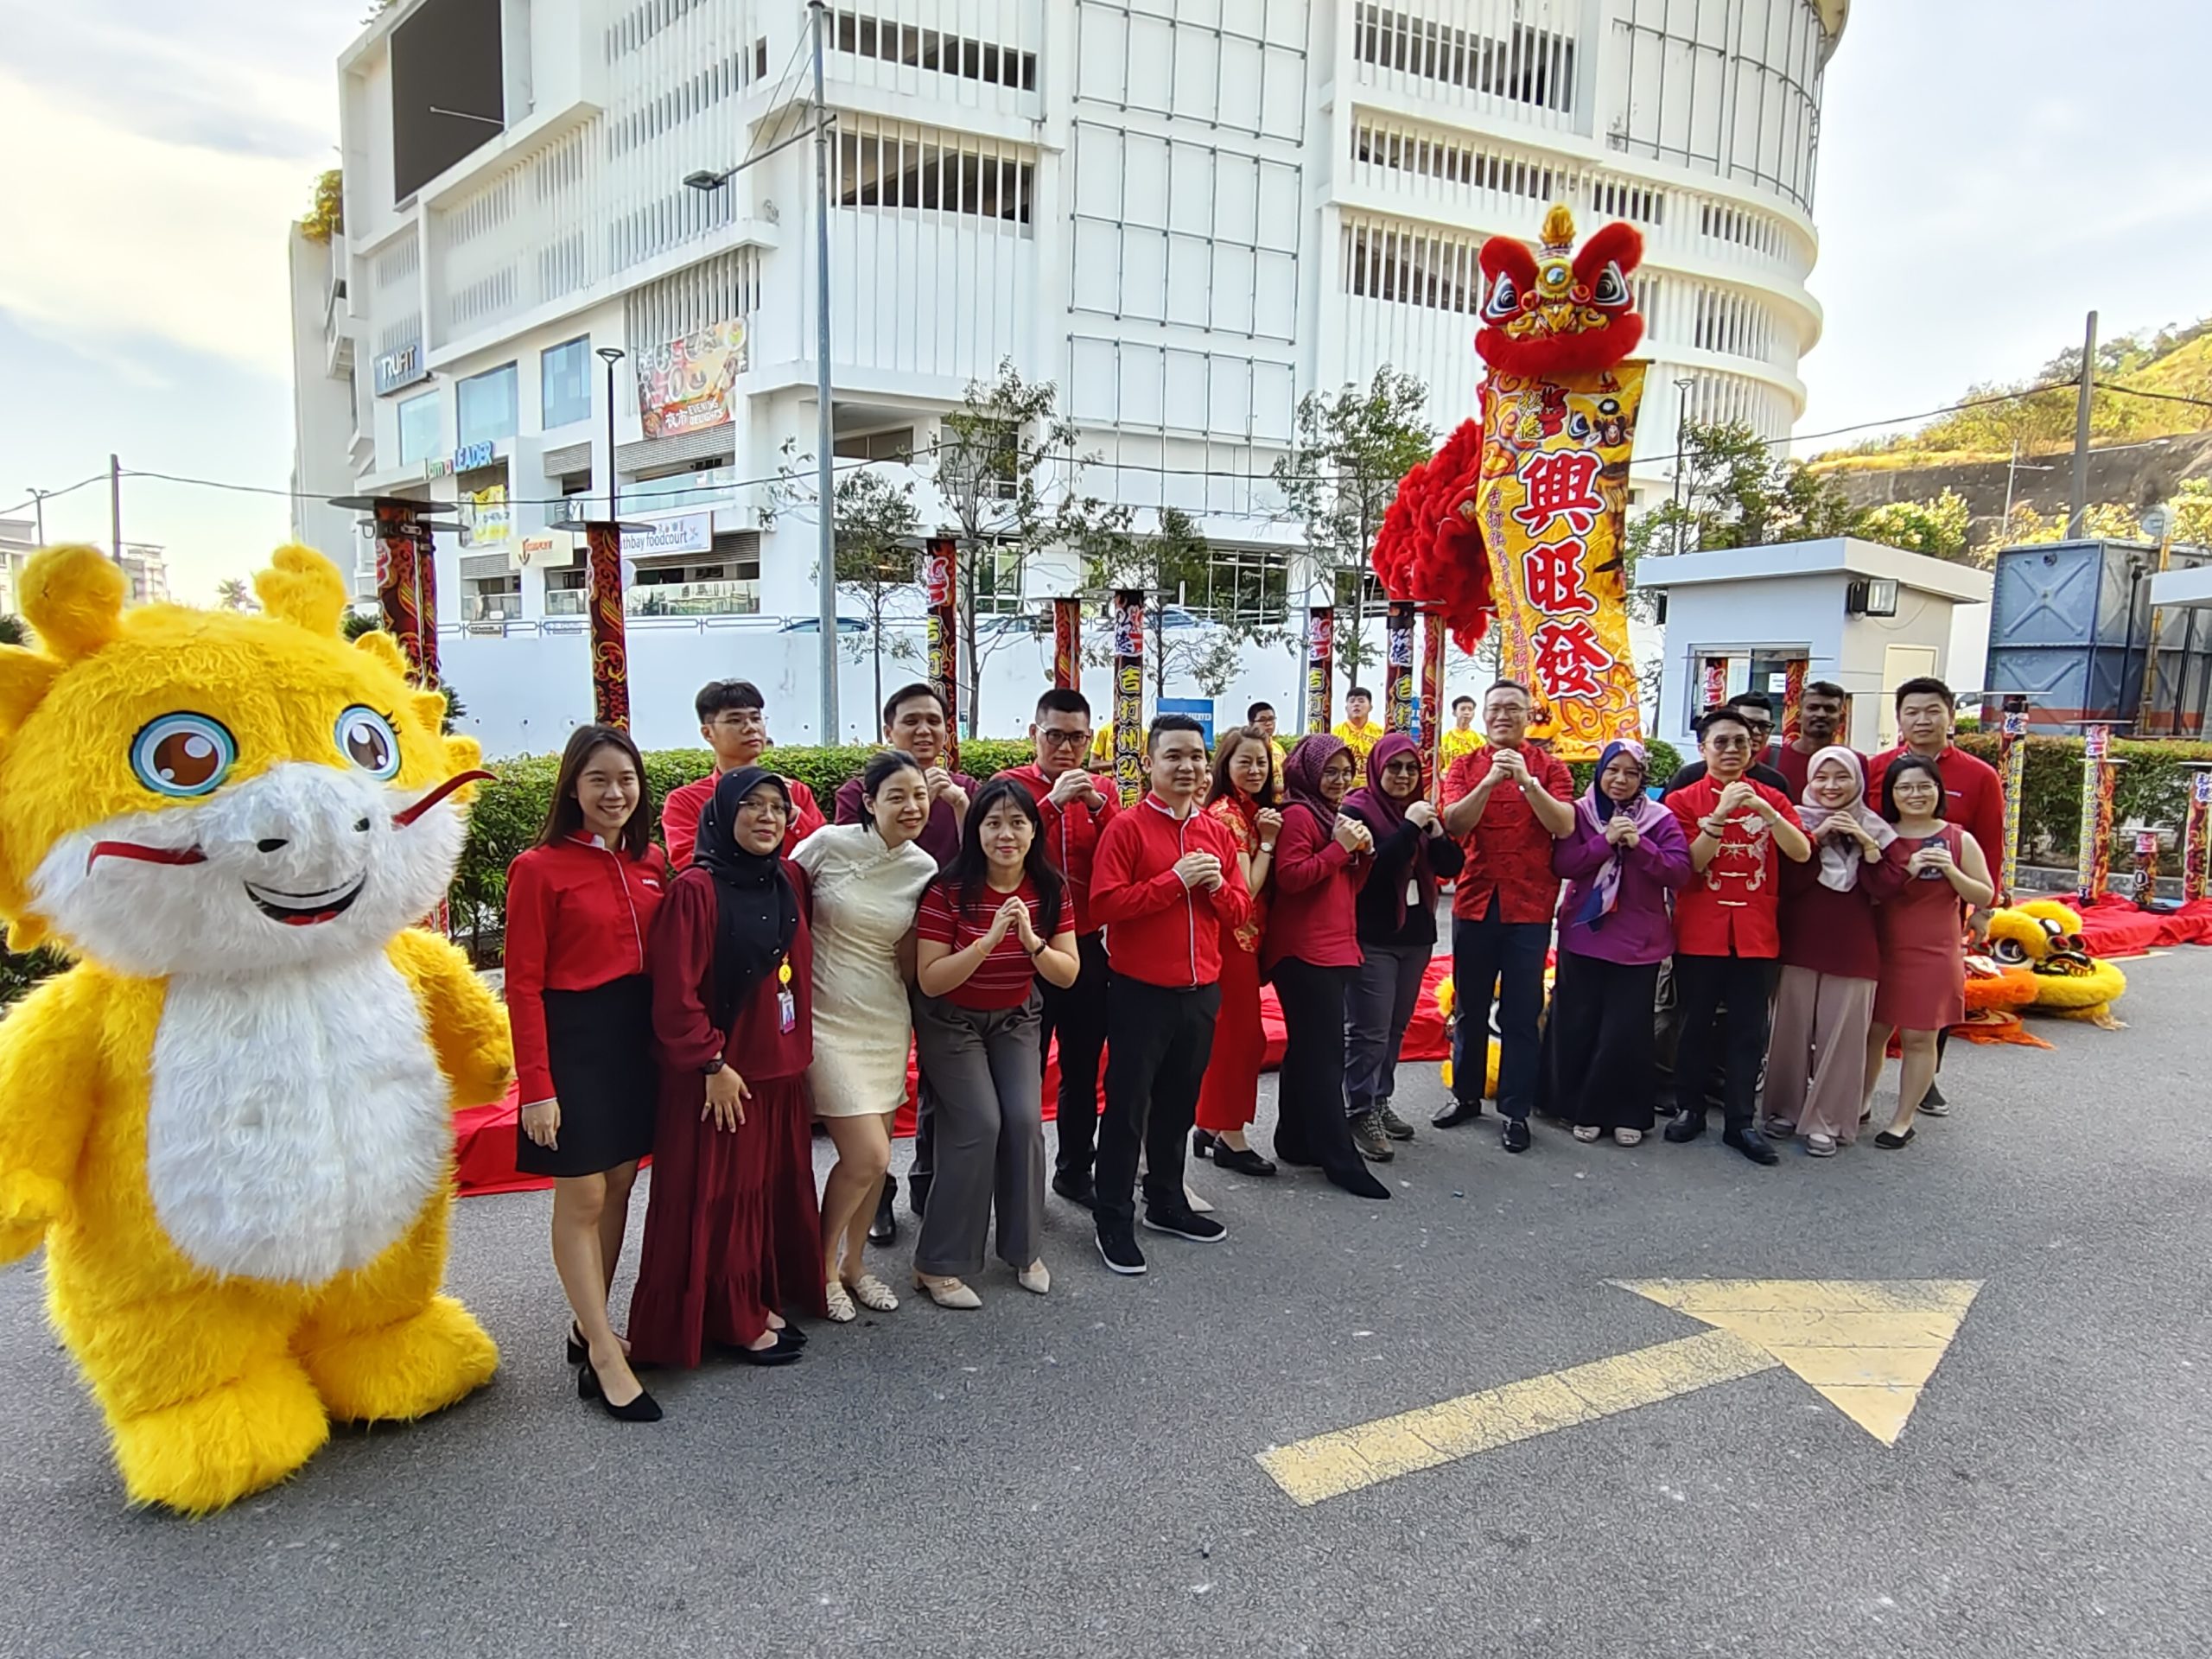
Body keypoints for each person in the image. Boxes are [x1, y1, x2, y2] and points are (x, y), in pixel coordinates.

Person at [626, 768, 823, 1372]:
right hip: (721, 1080)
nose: (768, 818)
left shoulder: (790, 877)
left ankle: (754, 1300)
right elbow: (675, 996)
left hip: (780, 1072)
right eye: (753, 807)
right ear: (723, 815)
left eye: (777, 808)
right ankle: (728, 1321)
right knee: (720, 1201)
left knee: (761, 1198)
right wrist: (711, 1062)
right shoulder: (696, 890)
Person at [504, 724, 668, 1421]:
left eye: (626, 779)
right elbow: (521, 984)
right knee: (583, 1197)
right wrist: (536, 1087)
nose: (615, 792)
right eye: (599, 778)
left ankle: (588, 1321)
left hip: (635, 1038)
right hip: (572, 1040)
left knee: (622, 1182)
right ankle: (603, 1352)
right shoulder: (538, 867)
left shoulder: (650, 861)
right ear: (573, 785)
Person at [1088, 715, 1252, 1275]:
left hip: (1201, 991)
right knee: (1127, 1109)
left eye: (1195, 757)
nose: (1186, 767)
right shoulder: (1128, 829)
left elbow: (1241, 913)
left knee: (1178, 1107)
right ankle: (1112, 1215)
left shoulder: (1216, 833)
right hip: (1139, 993)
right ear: (1149, 765)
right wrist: (1173, 882)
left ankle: (1165, 1201)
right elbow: (1103, 906)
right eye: (1173, 756)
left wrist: (1214, 887)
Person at [910, 778, 1080, 1306]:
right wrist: (986, 942)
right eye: (993, 823)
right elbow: (932, 978)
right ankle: (936, 1263)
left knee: (1026, 1122)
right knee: (979, 1125)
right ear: (975, 829)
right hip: (950, 1020)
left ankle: (1024, 1249)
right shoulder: (948, 889)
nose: (1005, 834)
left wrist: (1030, 942)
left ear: (1034, 830)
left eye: (1017, 823)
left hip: (1015, 1018)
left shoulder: (1050, 888)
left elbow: (1067, 973)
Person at [793, 750, 939, 1321]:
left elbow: (910, 957)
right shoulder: (826, 845)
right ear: (869, 800)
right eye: (897, 795)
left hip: (884, 1016)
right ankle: (820, 1267)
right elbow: (780, 902)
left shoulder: (924, 868)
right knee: (868, 1155)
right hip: (827, 1020)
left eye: (920, 795)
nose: (911, 806)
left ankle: (855, 1265)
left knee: (874, 1166)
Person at [832, 683, 976, 1236]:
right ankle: (878, 1194)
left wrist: (960, 806)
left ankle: (929, 1181)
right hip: (878, 956)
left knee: (940, 1073)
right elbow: (854, 862)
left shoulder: (964, 789)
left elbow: (985, 865)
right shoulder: (859, 793)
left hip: (947, 955)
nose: (924, 731)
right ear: (888, 729)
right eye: (911, 721)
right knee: (879, 1083)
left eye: (934, 722)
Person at [1661, 706, 1815, 1165]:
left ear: (1754, 750)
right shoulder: (1683, 800)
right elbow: (1689, 866)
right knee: (1694, 1024)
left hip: (1756, 930)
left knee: (1749, 1030)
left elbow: (1801, 852)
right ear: (1703, 748)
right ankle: (1688, 1108)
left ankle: (1740, 1121)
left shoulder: (1773, 797)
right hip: (1700, 929)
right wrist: (1722, 813)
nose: (1731, 750)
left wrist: (1767, 812)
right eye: (1721, 742)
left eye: (1741, 743)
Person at [1435, 680, 1576, 1148]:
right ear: (1484, 716)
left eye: (1512, 709)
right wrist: (1492, 781)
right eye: (1494, 709)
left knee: (1521, 1011)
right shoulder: (1464, 765)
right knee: (1470, 1006)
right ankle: (1466, 1095)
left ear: (1527, 715)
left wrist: (1526, 782)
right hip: (1475, 901)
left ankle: (1516, 1110)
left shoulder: (1550, 768)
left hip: (1530, 905)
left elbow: (1564, 824)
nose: (1502, 717)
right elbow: (1453, 822)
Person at [999, 690, 1120, 1205]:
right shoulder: (1009, 788)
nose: (1066, 748)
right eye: (1055, 736)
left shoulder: (1105, 793)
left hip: (1088, 946)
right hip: (1023, 948)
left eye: (1077, 737)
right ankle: (1015, 1179)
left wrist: (1095, 807)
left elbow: (1127, 853)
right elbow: (1003, 850)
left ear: (1090, 739)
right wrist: (1048, 805)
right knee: (1021, 1069)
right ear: (1034, 735)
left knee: (1082, 1061)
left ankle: (1075, 1168)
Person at [1866, 675, 2006, 1116]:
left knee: (1927, 1018)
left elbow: (1991, 842)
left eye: (1932, 711)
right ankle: (1863, 1097)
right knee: (1873, 1021)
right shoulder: (1877, 767)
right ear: (1899, 719)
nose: (1922, 720)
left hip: (1940, 914)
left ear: (1950, 717)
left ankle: (1923, 1086)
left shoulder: (1979, 775)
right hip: (1883, 910)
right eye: (1912, 712)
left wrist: (1985, 910)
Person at [1264, 736, 1394, 1199]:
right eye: (1330, 772)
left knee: (1308, 1050)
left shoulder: (1329, 815)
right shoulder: (1300, 815)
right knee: (1325, 1057)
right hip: (1304, 952)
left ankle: (1294, 1139)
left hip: (1335, 946)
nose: (1339, 781)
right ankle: (1338, 1156)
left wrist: (1361, 855)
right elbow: (1292, 878)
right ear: (1307, 771)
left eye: (1345, 772)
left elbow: (1346, 884)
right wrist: (1340, 848)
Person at [1545, 741, 1690, 1147]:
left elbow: (1679, 872)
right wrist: (1604, 841)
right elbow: (1564, 865)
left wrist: (1639, 845)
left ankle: (1628, 1112)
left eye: (1631, 773)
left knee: (1625, 1032)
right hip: (1584, 933)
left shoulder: (1660, 820)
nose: (1620, 780)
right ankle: (1579, 1109)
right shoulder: (1580, 812)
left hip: (1638, 942)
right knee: (1579, 1024)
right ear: (1600, 772)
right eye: (1613, 770)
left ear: (1643, 778)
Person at [1763, 748, 1903, 1156]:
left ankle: (1826, 1119)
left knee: (1842, 1038)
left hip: (1853, 947)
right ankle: (1785, 1109)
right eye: (1821, 777)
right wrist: (1815, 839)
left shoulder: (1877, 829)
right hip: (1798, 942)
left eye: (1841, 777)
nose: (1830, 787)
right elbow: (1787, 883)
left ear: (1858, 781)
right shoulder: (1795, 821)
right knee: (1789, 1031)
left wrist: (1866, 844)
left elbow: (1888, 889)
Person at [1339, 733, 1463, 1161]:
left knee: (1395, 1027)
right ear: (1377, 769)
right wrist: (1410, 826)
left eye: (1411, 769)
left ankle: (1379, 1099)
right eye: (1395, 768)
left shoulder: (1422, 813)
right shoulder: (1357, 810)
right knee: (1368, 1031)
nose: (1404, 776)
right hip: (1373, 936)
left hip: (1416, 936)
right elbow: (1375, 870)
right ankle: (1357, 1109)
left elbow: (1451, 867)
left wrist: (1435, 830)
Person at [1862, 754, 1994, 1150]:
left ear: (1938, 790)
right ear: (1891, 795)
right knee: (1872, 1033)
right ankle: (1862, 1101)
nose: (1915, 794)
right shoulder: (1880, 835)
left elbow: (1985, 894)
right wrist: (1907, 870)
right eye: (1904, 787)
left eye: (1924, 786)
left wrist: (1952, 872)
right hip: (1882, 946)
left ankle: (1904, 1119)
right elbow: (1867, 891)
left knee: (1921, 1038)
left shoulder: (1958, 838)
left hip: (1935, 951)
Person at [1192, 726, 1284, 1178]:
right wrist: (1267, 840)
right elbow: (1244, 888)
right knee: (1240, 1039)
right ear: (1225, 766)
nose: (1254, 769)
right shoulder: (1229, 814)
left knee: (1234, 1037)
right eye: (1244, 761)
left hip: (1245, 938)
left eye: (1261, 762)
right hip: (1233, 939)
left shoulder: (1251, 809)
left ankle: (1210, 1125)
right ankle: (1230, 1134)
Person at [661, 678, 825, 868]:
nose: (751, 728)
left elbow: (824, 853)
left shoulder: (795, 793)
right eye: (735, 720)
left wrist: (794, 816)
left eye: (756, 718)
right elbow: (689, 860)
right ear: (707, 733)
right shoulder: (685, 801)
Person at [1665, 694, 1789, 793]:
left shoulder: (1775, 783)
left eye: (1764, 726)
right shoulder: (1688, 777)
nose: (1756, 731)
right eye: (1748, 724)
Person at [1773, 681, 1852, 799]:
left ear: (1841, 719)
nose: (1821, 714)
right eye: (1813, 708)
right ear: (1798, 716)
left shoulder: (1853, 762)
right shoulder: (1771, 757)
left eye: (1829, 709)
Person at [1332, 687, 1383, 784]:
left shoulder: (1380, 733)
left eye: (1361, 701)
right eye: (1352, 701)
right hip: (1343, 786)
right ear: (1346, 708)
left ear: (1370, 707)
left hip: (1372, 787)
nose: (1356, 704)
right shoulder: (1335, 733)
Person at [1249, 700, 1286, 790]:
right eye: (1262, 720)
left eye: (1271, 719)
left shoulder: (1278, 748)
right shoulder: (1248, 748)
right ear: (1251, 724)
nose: (1269, 723)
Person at [1440, 696, 1483, 770]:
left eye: (1470, 709)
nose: (1467, 712)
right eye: (1463, 709)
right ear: (1454, 712)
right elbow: (1437, 768)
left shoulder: (1479, 740)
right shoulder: (1444, 739)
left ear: (1474, 714)